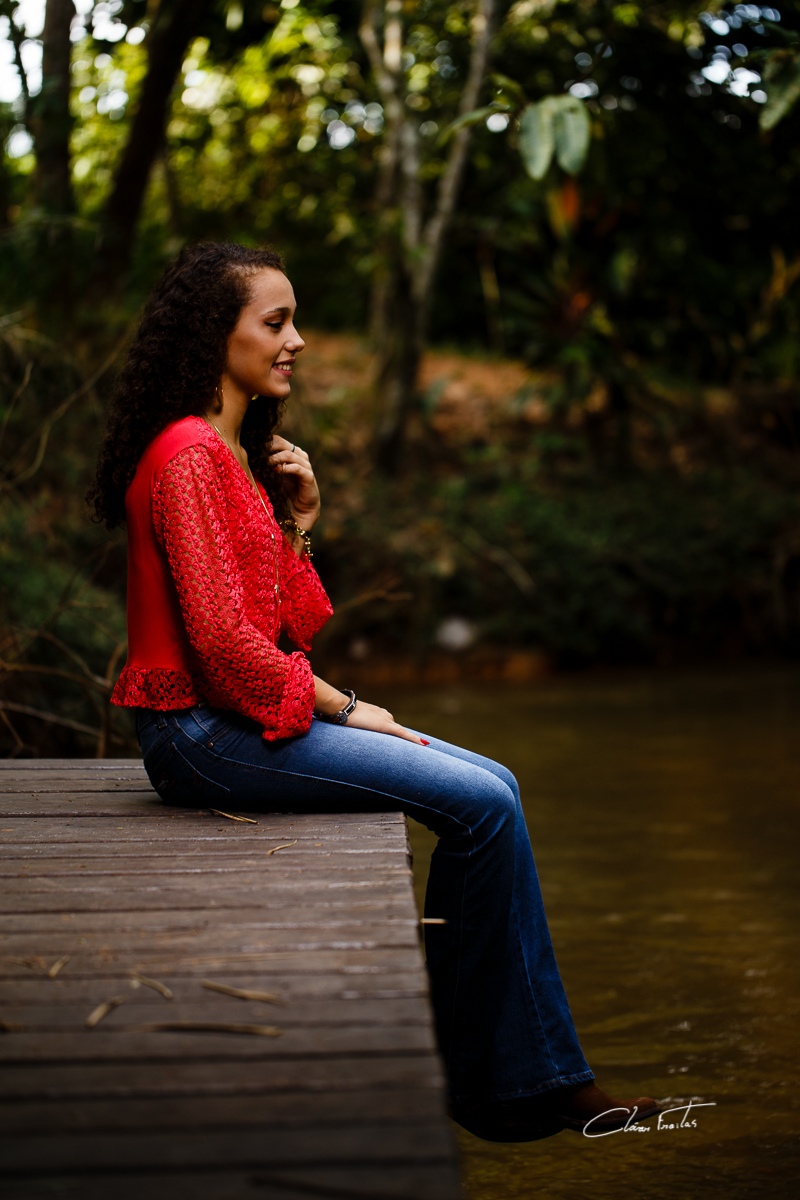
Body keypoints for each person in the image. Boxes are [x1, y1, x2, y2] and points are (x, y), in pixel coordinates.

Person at [88, 242, 659, 1143]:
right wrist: (346, 707)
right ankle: (504, 1082)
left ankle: (528, 1075)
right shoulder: (191, 454)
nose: (298, 342)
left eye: (294, 322)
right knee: (478, 802)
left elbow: (280, 622)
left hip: (225, 721)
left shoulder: (229, 452)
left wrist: (301, 523)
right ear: (213, 333)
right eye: (276, 323)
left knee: (498, 788)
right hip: (197, 735)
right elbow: (226, 649)